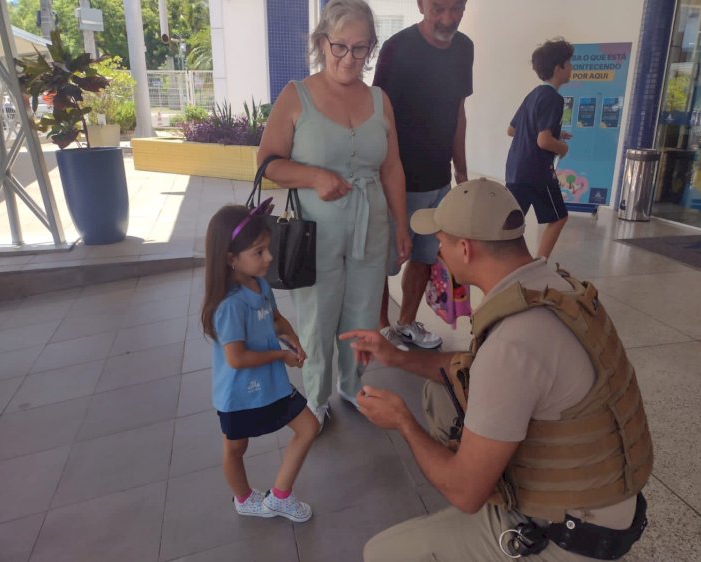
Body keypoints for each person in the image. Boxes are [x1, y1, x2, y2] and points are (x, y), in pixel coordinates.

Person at [341, 178, 653, 561]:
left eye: (441, 242)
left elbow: (465, 494)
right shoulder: (557, 288)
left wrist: (402, 421)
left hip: (571, 534)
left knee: (381, 553)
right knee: (441, 392)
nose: (438, 252)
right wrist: (397, 357)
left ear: (466, 249)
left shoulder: (513, 342)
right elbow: (470, 368)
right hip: (607, 498)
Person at [257, 0, 410, 431]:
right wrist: (311, 176)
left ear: (371, 49)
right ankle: (316, 394)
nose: (349, 58)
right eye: (340, 46)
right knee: (318, 315)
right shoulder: (296, 95)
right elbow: (267, 162)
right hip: (314, 234)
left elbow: (392, 167)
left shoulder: (380, 100)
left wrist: (401, 224)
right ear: (322, 43)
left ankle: (352, 383)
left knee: (362, 312)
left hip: (371, 226)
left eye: (361, 49)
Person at [201, 205, 318, 521]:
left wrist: (292, 338)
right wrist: (281, 355)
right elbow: (236, 359)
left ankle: (280, 496)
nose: (268, 258)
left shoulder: (261, 284)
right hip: (239, 395)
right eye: (259, 252)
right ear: (230, 259)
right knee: (235, 449)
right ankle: (243, 498)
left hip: (272, 385)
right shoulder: (229, 306)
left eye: (268, 249)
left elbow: (276, 320)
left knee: (308, 427)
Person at [374, 0, 473, 351]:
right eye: (438, 8)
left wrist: (461, 171)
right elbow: (380, 118)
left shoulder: (464, 48)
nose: (448, 18)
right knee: (383, 262)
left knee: (424, 256)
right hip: (396, 180)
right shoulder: (397, 49)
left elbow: (458, 113)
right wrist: (387, 175)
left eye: (457, 8)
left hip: (439, 181)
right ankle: (383, 327)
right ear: (420, 4)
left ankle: (405, 325)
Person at [506, 38, 575, 260]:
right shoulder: (553, 98)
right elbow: (543, 141)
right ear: (558, 68)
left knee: (512, 224)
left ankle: (503, 261)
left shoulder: (533, 94)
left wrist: (554, 133)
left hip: (516, 169)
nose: (572, 68)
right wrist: (562, 146)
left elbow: (512, 130)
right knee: (559, 217)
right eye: (569, 63)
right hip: (538, 172)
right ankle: (539, 263)